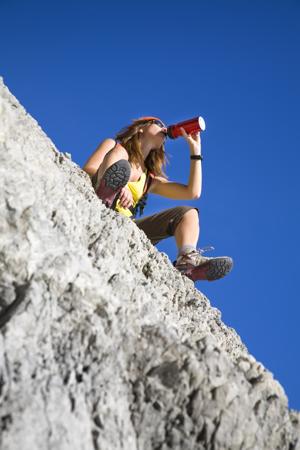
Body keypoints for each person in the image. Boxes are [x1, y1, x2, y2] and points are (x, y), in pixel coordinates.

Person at [82, 116, 233, 282]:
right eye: (158, 124)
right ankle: (106, 193)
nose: (164, 128)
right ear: (141, 128)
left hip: (125, 225)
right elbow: (89, 169)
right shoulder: (114, 146)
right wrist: (120, 185)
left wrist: (195, 152)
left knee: (188, 213)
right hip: (98, 200)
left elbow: (192, 193)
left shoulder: (149, 179)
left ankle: (187, 263)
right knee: (120, 155)